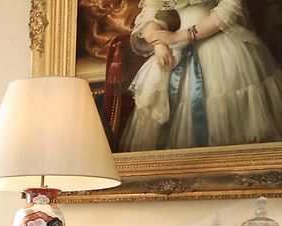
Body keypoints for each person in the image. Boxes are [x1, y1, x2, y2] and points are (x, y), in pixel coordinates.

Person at [120, 0, 282, 151]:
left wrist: (179, 36)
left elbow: (230, 8)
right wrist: (159, 43)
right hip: (176, 47)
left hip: (221, 49)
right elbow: (151, 16)